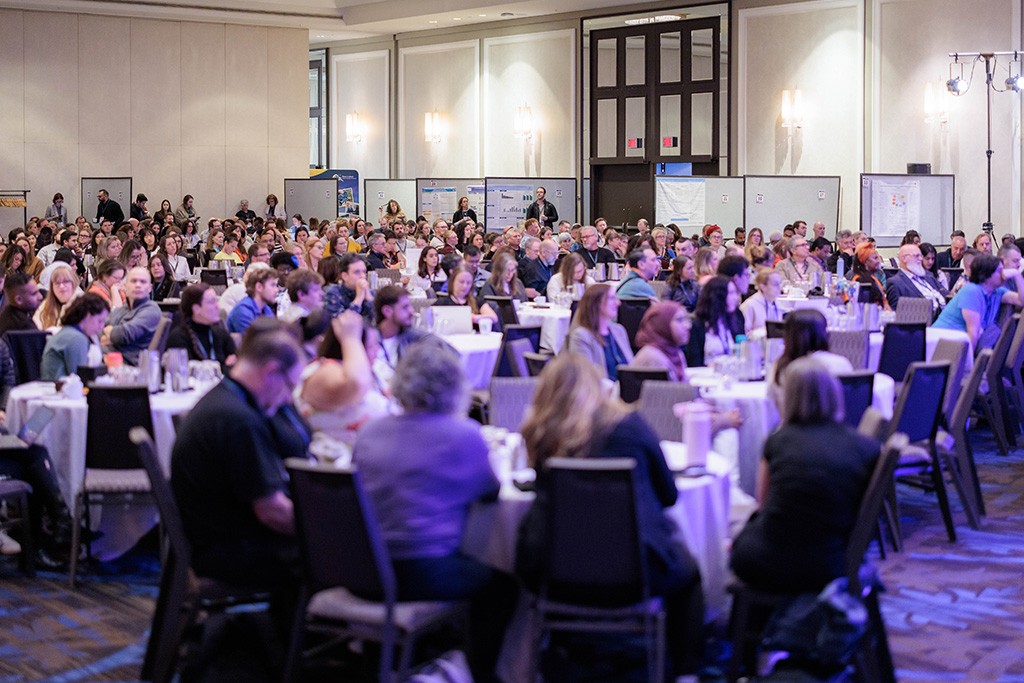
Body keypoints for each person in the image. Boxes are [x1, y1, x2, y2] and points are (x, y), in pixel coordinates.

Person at [516, 352, 705, 677]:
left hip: (556, 574)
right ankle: (686, 669)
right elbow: (669, 496)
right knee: (689, 573)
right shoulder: (630, 425)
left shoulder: (544, 436)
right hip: (638, 575)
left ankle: (540, 655)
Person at [352, 342, 516, 683]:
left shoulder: (369, 432)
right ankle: (479, 672)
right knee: (505, 586)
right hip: (423, 572)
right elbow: (490, 492)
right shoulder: (463, 436)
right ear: (454, 387)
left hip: (363, 572)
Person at [171, 320, 306, 607]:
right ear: (271, 372)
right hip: (229, 550)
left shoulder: (224, 398)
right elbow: (272, 512)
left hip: (213, 538)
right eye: (289, 386)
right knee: (338, 555)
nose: (287, 398)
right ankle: (301, 645)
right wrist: (331, 528)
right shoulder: (238, 421)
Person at [730, 356, 879, 593]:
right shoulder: (866, 447)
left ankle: (757, 623)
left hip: (775, 560)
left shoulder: (778, 441)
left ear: (787, 398)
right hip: (836, 559)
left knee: (737, 539)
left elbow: (763, 504)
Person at [933, 253, 1024, 348]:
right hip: (941, 344)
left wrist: (1017, 275)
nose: (1004, 274)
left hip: (957, 343)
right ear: (987, 275)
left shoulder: (996, 291)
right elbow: (973, 333)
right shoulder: (971, 291)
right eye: (999, 271)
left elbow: (1021, 301)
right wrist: (971, 362)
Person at [768, 309, 853, 403]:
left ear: (788, 337)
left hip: (789, 417)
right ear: (824, 334)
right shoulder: (840, 364)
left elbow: (771, 406)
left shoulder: (780, 367)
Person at [567, 283, 633, 381]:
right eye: (612, 298)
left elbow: (632, 367)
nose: (618, 303)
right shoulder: (581, 336)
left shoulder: (619, 331)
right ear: (596, 304)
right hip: (599, 392)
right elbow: (585, 377)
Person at [165, 283, 237, 373]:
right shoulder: (178, 338)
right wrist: (224, 366)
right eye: (212, 302)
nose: (217, 306)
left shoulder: (221, 335)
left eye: (216, 301)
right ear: (196, 308)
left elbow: (237, 369)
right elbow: (183, 374)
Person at [99, 267, 160, 365]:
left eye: (143, 282)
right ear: (125, 286)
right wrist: (111, 335)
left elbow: (124, 334)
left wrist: (110, 332)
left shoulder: (151, 310)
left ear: (150, 288)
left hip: (128, 366)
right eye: (133, 281)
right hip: (105, 359)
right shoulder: (123, 309)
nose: (138, 285)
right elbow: (98, 330)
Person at [40, 293, 108, 380]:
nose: (101, 327)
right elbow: (80, 378)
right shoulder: (76, 338)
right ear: (87, 316)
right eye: (99, 321)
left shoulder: (69, 333)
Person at [684, 275, 743, 367]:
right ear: (717, 296)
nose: (736, 298)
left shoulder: (736, 319)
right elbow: (694, 364)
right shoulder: (697, 326)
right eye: (731, 293)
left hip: (732, 374)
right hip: (705, 377)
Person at [885, 243, 948, 313]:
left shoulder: (928, 275)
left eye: (920, 256)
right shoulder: (896, 283)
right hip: (926, 320)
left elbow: (946, 294)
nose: (920, 259)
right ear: (904, 258)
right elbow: (896, 316)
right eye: (917, 256)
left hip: (948, 314)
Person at [432, 265, 498, 324]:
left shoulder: (476, 301)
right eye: (461, 282)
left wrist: (473, 318)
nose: (464, 286)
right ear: (453, 282)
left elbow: (493, 318)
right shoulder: (442, 303)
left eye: (468, 283)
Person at [227, 268, 279, 335]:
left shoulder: (265, 309)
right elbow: (254, 342)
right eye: (272, 285)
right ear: (259, 287)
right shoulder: (242, 311)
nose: (277, 290)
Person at [324, 253, 373, 322]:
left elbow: (378, 322)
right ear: (344, 276)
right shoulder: (333, 294)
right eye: (357, 272)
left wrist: (370, 300)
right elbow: (343, 324)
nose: (362, 276)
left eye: (364, 272)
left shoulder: (369, 292)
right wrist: (358, 299)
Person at [33, 263, 82, 330]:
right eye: (57, 283)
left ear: (73, 284)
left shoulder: (82, 305)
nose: (61, 286)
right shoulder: (45, 306)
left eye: (66, 282)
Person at [740, 268, 783, 335]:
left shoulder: (777, 303)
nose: (779, 288)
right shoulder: (750, 305)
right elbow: (743, 333)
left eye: (780, 284)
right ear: (763, 286)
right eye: (775, 284)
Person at [850, 243, 890, 309]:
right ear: (865, 262)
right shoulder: (861, 282)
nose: (879, 261)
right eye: (875, 258)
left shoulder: (873, 278)